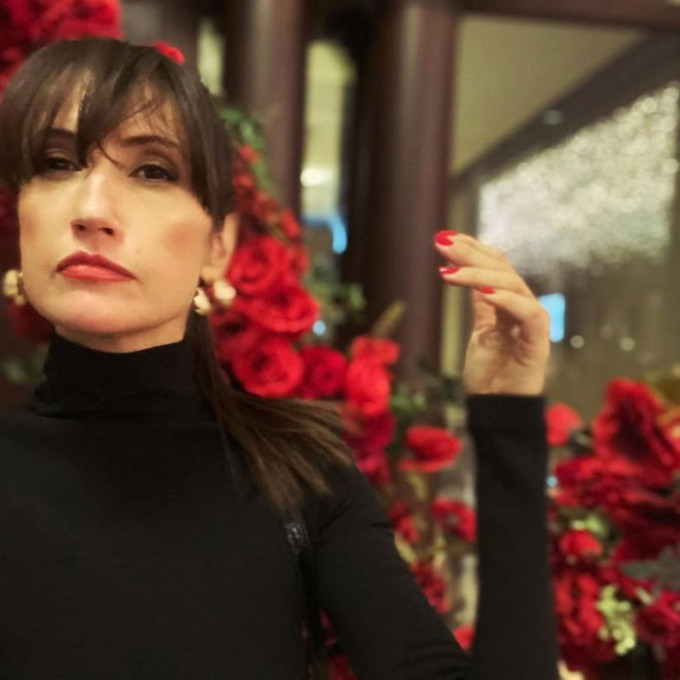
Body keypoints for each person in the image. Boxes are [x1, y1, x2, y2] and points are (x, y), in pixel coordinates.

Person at [0, 38, 558, 679]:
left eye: (152, 171)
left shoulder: (298, 475)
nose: (92, 210)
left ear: (217, 246)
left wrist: (509, 419)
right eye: (57, 163)